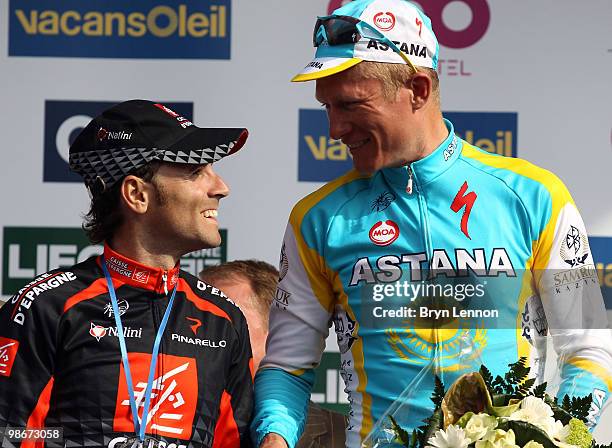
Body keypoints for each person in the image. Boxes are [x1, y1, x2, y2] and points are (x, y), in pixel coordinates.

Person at [251, 1, 612, 447]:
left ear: (418, 89)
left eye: (350, 105)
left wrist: (559, 438)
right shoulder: (318, 219)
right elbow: (287, 366)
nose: (334, 128)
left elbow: (590, 349)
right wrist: (273, 437)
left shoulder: (534, 196)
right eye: (326, 107)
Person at [0, 100, 253, 448]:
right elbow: (10, 433)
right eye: (196, 172)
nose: (221, 187)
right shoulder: (48, 306)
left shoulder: (223, 319)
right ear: (136, 194)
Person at [199, 260, 347, 448]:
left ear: (276, 340)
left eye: (223, 325)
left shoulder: (347, 437)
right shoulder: (170, 429)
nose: (201, 339)